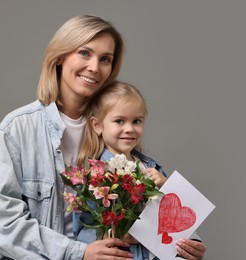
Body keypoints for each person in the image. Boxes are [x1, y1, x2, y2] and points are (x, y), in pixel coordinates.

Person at [0, 15, 135, 260]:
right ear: (60, 56)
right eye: (84, 53)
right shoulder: (18, 128)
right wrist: (78, 253)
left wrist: (187, 240)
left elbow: (141, 196)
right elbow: (4, 223)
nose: (94, 67)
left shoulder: (112, 128)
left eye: (105, 59)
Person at [74, 81, 207, 260]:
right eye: (119, 121)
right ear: (97, 125)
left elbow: (177, 216)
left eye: (136, 121)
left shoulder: (152, 169)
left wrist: (193, 244)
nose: (129, 129)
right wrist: (117, 234)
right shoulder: (94, 176)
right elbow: (82, 232)